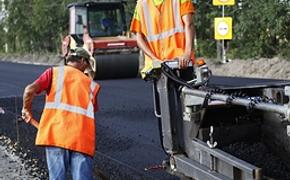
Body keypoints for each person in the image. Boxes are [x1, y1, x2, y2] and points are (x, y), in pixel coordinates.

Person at [21, 47, 101, 180]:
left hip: (55, 137)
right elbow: (92, 111)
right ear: (82, 61)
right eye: (87, 65)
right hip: (81, 141)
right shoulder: (91, 85)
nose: (86, 69)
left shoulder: (53, 73)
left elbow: (29, 90)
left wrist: (26, 109)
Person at [130, 0, 196, 79]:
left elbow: (139, 38)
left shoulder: (141, 4)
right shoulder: (141, 4)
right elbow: (189, 24)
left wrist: (187, 54)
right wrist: (186, 54)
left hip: (169, 63)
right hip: (177, 61)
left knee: (165, 90)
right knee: (185, 88)